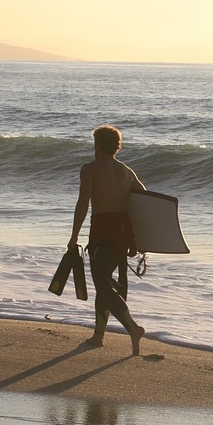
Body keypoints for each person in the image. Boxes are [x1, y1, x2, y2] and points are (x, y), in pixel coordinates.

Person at [68, 124, 146, 355]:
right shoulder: (127, 171)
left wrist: (74, 237)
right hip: (123, 232)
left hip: (102, 230)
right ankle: (98, 336)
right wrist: (141, 239)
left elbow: (83, 203)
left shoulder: (89, 169)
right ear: (117, 147)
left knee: (102, 284)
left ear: (97, 145)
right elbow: (144, 200)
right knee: (105, 285)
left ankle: (132, 327)